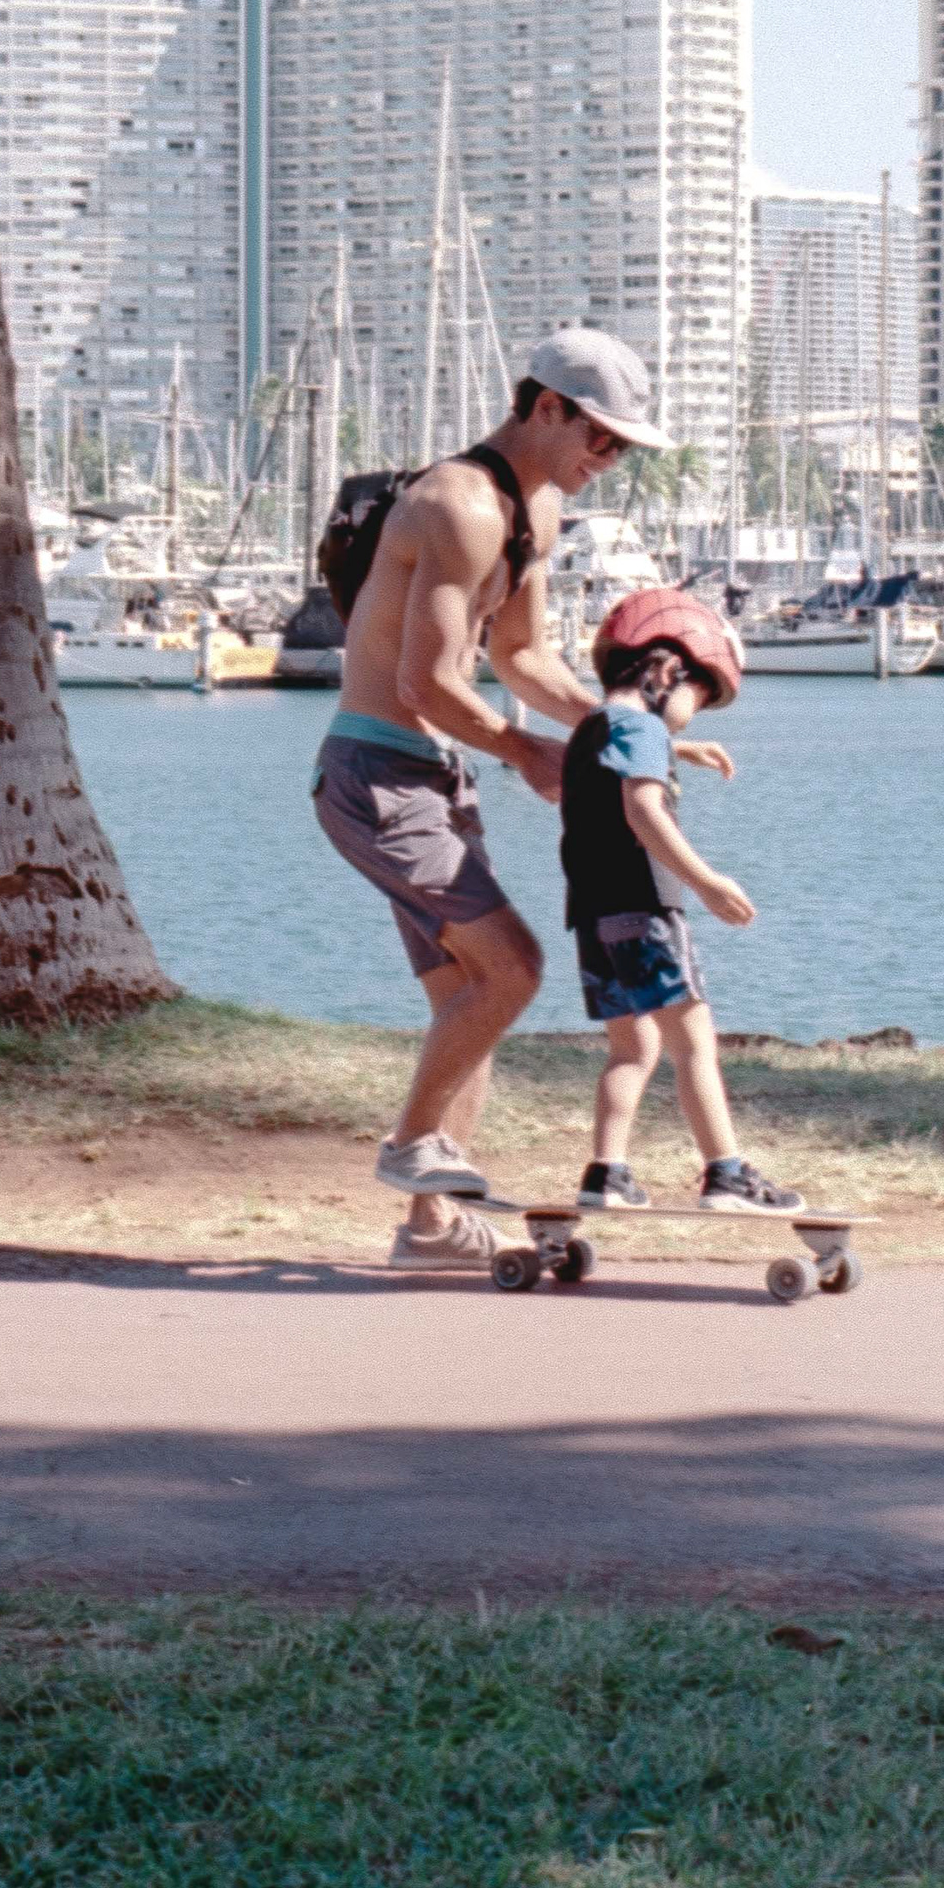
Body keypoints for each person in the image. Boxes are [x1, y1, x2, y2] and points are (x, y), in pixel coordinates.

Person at [312, 329, 722, 1267]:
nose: (607, 461)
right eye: (602, 439)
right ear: (545, 406)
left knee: (471, 999)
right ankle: (412, 1146)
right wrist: (524, 752)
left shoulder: (534, 509)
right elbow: (425, 682)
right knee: (516, 969)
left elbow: (522, 658)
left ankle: (429, 1232)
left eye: (622, 448)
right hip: (375, 770)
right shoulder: (455, 504)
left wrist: (630, 733)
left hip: (428, 778)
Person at [562, 588, 799, 1214]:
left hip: (592, 918)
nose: (693, 714)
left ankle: (605, 1173)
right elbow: (641, 809)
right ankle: (725, 1174)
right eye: (699, 697)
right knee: (694, 1040)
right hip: (645, 911)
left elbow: (613, 779)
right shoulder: (641, 725)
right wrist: (707, 880)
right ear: (666, 671)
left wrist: (678, 750)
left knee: (632, 1049)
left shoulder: (590, 728)